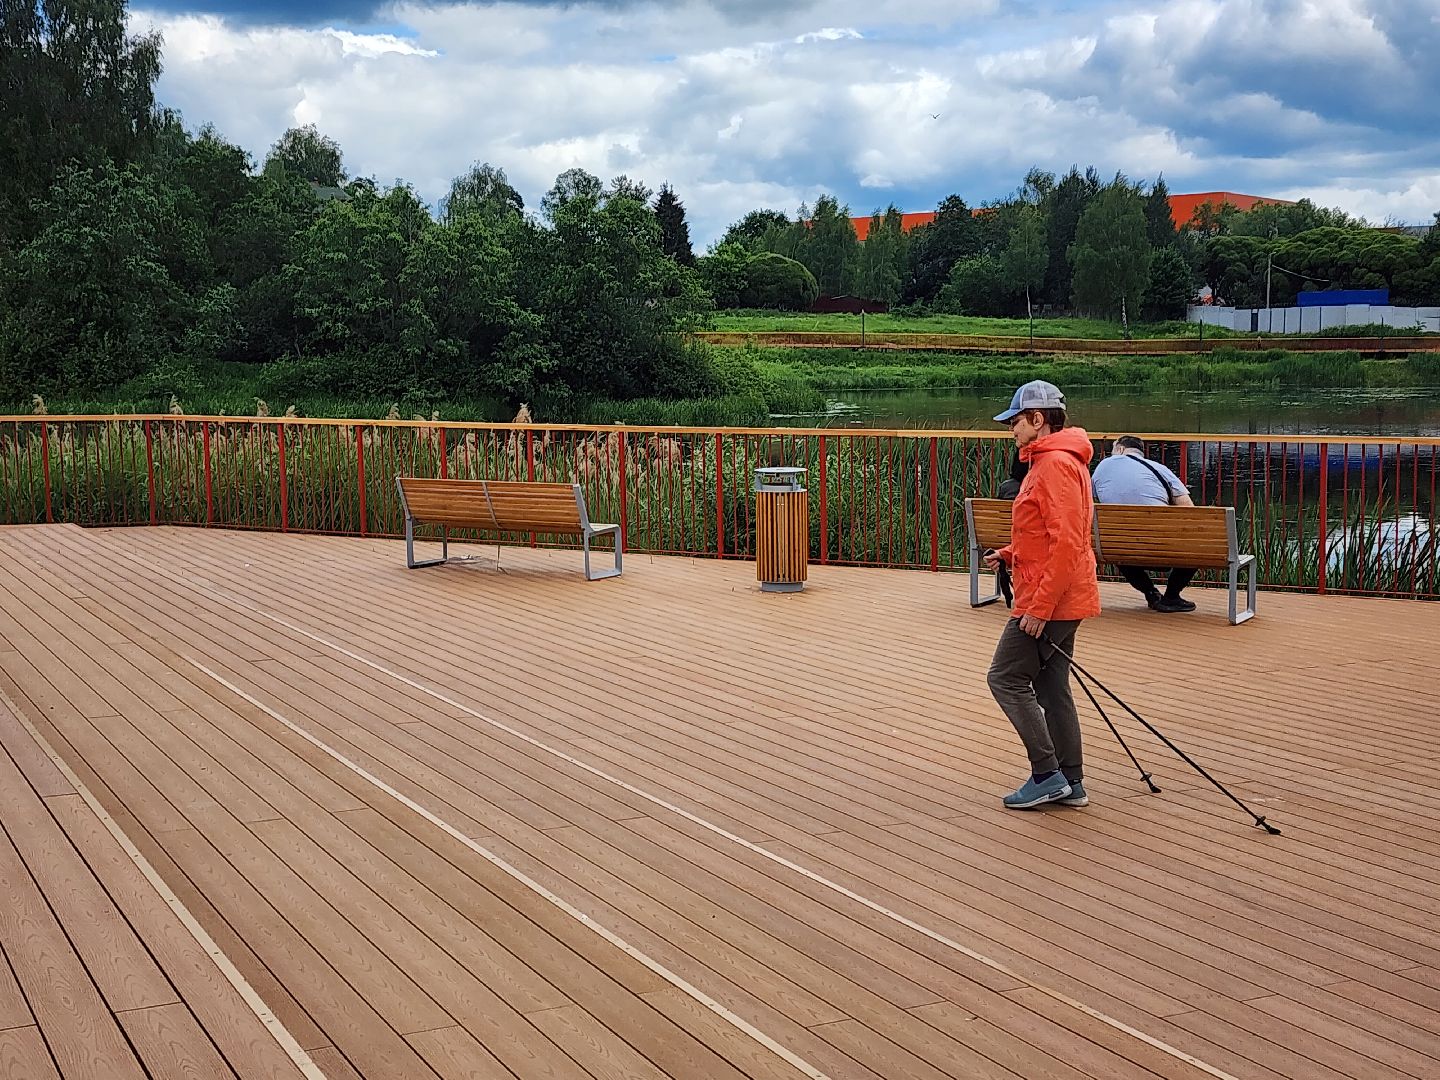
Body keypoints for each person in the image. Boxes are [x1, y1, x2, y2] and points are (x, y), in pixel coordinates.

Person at [983, 381, 1101, 810]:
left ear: (1038, 419)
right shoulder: (1053, 462)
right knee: (1052, 688)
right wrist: (1012, 554)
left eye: (1015, 421)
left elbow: (1069, 543)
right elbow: (1050, 536)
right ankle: (1071, 781)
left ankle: (1047, 774)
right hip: (1060, 594)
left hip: (1052, 599)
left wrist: (1039, 608)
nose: (1011, 429)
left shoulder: (1053, 466)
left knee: (1005, 678)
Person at [1091, 435, 1198, 613]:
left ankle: (1151, 593)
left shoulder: (1102, 467)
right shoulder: (1159, 468)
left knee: (1119, 545)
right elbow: (1189, 509)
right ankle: (1171, 597)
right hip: (1163, 550)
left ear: (1120, 449)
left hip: (1122, 549)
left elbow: (1088, 500)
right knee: (1196, 546)